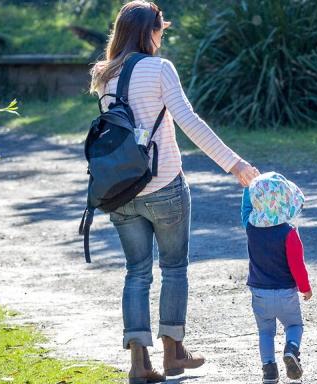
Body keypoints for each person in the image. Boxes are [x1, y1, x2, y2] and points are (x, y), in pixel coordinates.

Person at [88, 2, 261, 382]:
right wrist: (235, 164)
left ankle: (138, 363)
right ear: (149, 31)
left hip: (120, 190)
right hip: (164, 184)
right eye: (160, 30)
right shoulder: (160, 69)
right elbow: (189, 122)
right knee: (174, 268)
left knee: (136, 272)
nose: (162, 36)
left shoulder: (104, 74)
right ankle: (173, 352)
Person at [241, 172, 312, 384]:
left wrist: (247, 186)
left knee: (265, 332)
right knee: (294, 326)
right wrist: (305, 287)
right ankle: (291, 349)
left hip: (260, 292)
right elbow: (297, 265)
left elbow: (246, 209)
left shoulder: (251, 228)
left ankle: (269, 371)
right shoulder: (289, 233)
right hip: (286, 292)